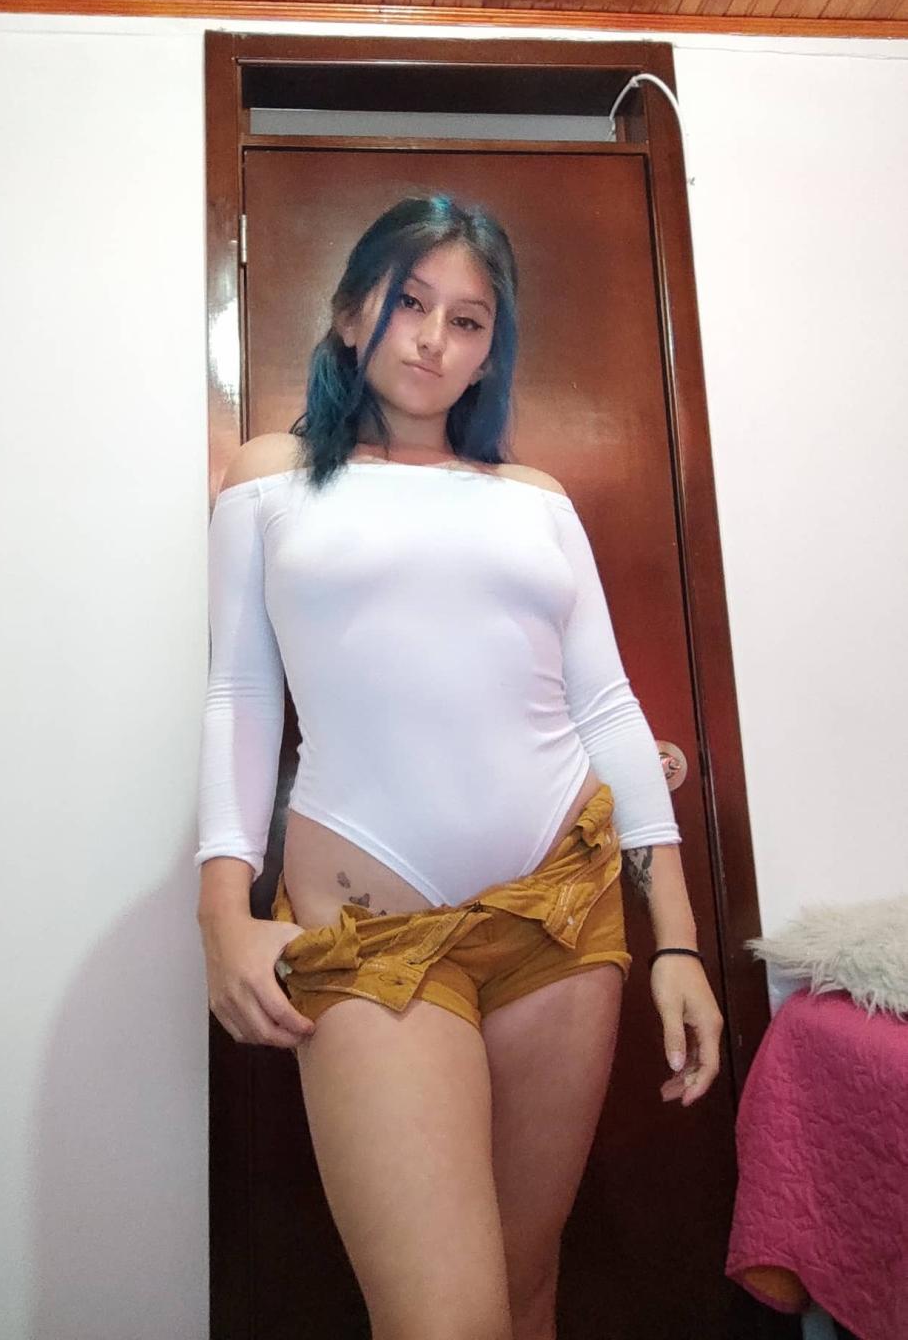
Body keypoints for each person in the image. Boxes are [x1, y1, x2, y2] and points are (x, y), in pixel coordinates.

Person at [195, 192, 724, 1340]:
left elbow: (605, 706)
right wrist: (222, 916)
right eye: (410, 303)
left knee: (527, 1295)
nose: (434, 338)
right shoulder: (270, 477)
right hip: (368, 933)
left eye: (469, 320)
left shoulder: (534, 501)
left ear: (493, 350)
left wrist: (677, 940)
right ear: (352, 314)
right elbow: (241, 698)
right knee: (447, 1320)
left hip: (561, 920)